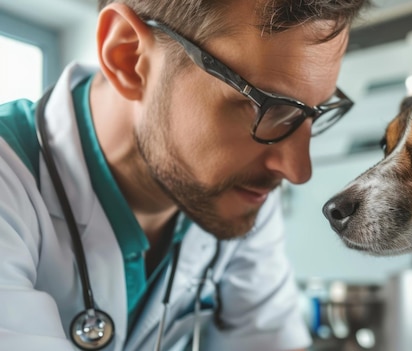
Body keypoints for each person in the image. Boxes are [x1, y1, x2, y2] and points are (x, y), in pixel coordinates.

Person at [0, 0, 370, 350]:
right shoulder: (9, 182)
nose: (296, 171)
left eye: (310, 114)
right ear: (128, 56)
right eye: (266, 107)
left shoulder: (241, 191)